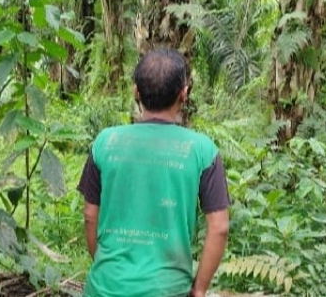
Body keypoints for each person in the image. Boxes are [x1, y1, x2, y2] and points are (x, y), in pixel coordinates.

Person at [77, 48, 230, 297]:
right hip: (167, 290)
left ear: (135, 91)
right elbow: (219, 227)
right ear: (184, 92)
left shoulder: (105, 142)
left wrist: (108, 268)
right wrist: (199, 289)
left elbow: (90, 215)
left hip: (104, 287)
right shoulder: (203, 151)